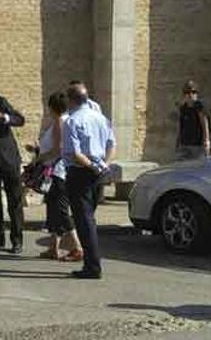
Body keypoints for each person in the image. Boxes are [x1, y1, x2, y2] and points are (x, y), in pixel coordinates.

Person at [63, 84, 116, 279]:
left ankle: (92, 266)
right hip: (98, 172)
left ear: (71, 100)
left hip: (80, 173)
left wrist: (92, 166)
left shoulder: (72, 121)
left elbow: (76, 154)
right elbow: (111, 143)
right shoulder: (101, 118)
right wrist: (104, 164)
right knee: (89, 218)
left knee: (84, 221)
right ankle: (91, 263)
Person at [33, 92, 83, 262]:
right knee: (53, 209)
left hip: (58, 172)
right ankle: (54, 246)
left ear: (51, 107)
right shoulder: (62, 121)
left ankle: (77, 246)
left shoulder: (60, 122)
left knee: (61, 210)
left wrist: (39, 157)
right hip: (56, 171)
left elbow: (58, 149)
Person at [0, 92, 26, 254]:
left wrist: (3, 118)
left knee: (14, 201)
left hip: (8, 160)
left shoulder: (0, 102)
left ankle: (17, 240)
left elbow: (19, 120)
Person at [176, 80, 210, 160]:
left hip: (197, 144)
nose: (191, 95)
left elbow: (204, 123)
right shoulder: (183, 108)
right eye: (188, 92)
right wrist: (178, 141)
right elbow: (181, 125)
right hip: (185, 143)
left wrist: (206, 140)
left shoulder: (199, 107)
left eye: (193, 92)